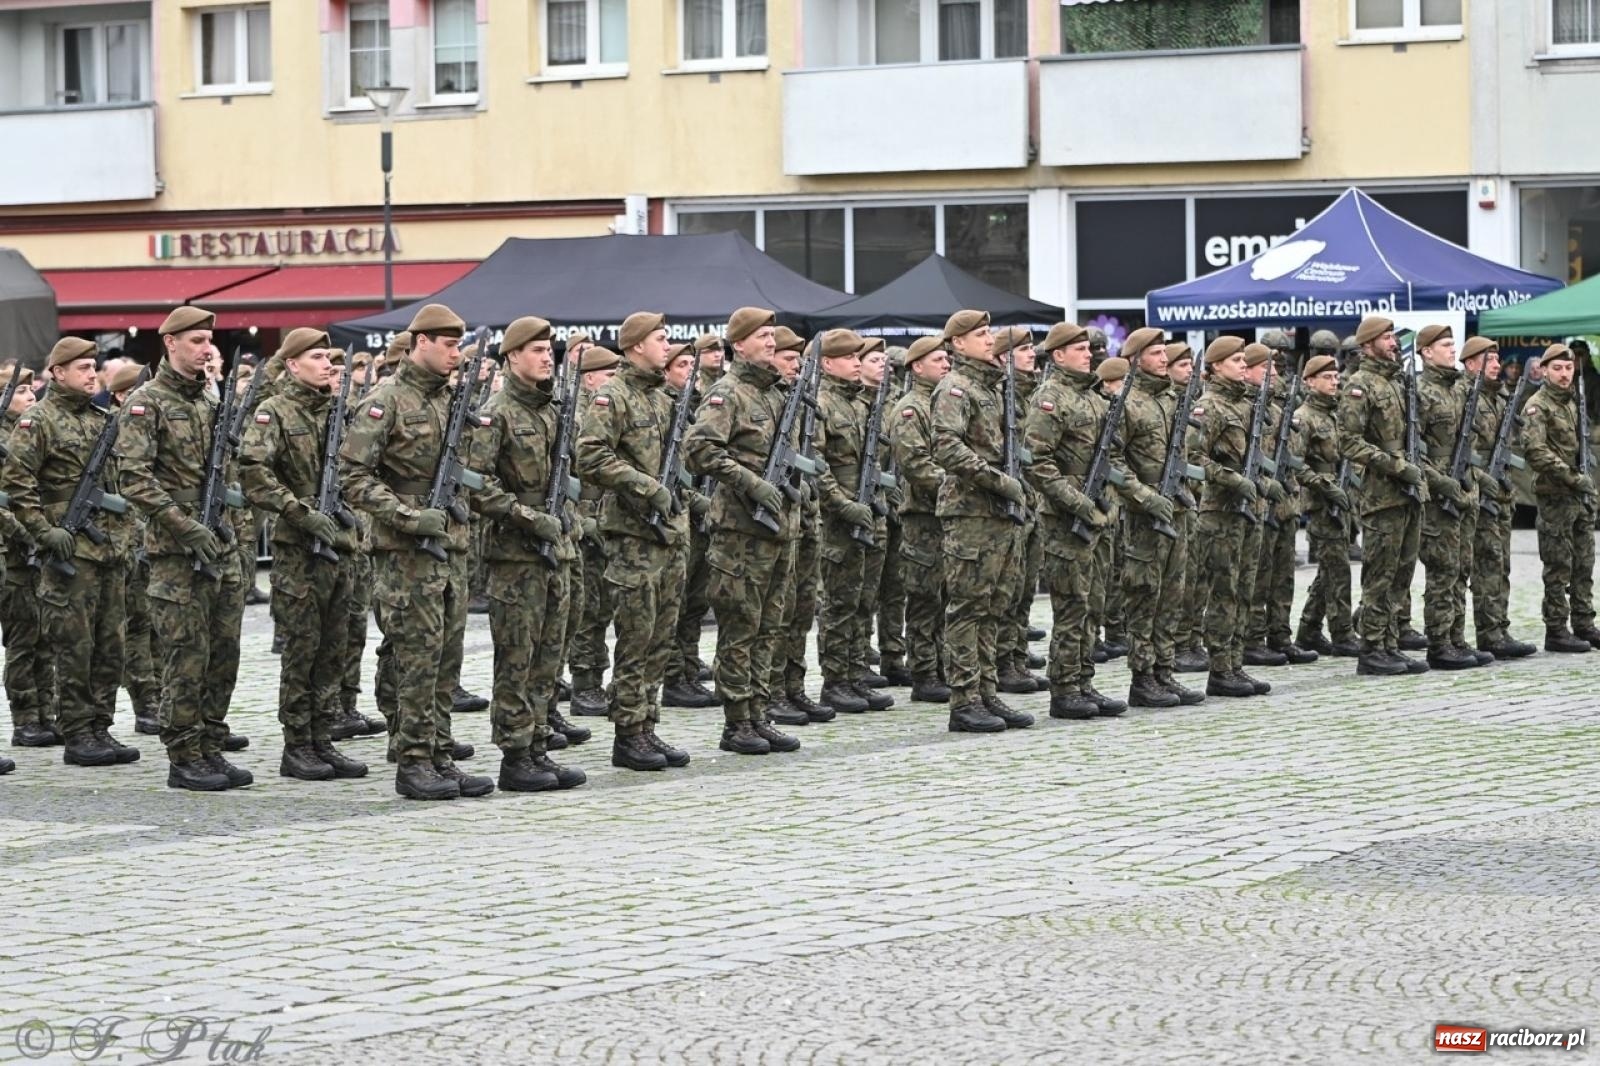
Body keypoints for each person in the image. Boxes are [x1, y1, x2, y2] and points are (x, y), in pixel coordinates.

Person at [339, 303, 494, 801]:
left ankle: (439, 753)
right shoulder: (385, 400)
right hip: (406, 553)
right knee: (416, 659)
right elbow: (352, 476)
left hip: (450, 547)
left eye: (458, 345)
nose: (456, 354)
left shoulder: (450, 401)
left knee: (446, 658)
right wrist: (407, 516)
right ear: (420, 342)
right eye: (448, 345)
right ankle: (413, 761)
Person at [115, 306, 253, 790]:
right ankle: (184, 754)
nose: (206, 349)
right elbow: (134, 478)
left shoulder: (210, 402)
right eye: (196, 340)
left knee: (224, 654)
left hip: (221, 544)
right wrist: (184, 526)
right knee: (186, 656)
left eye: (208, 341)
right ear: (170, 343)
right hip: (178, 553)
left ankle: (211, 745)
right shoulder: (146, 402)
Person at [2, 337, 139, 769]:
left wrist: (128, 536)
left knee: (110, 645)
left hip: (108, 550)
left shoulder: (102, 419)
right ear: (58, 373)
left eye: (93, 367)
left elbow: (120, 484)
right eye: (81, 368)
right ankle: (78, 732)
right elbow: (16, 484)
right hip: (70, 552)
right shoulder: (38, 421)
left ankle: (100, 725)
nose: (91, 374)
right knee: (74, 646)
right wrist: (44, 532)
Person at [238, 328, 369, 781]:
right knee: (303, 650)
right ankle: (297, 745)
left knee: (334, 648)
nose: (328, 365)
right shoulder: (274, 412)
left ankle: (322, 737)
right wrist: (299, 512)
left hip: (340, 545)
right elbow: (254, 473)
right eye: (316, 358)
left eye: (329, 358)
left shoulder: (337, 411)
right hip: (299, 550)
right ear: (292, 364)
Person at [469, 314, 588, 791]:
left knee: (548, 657)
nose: (546, 358)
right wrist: (526, 516)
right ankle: (515, 754)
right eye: (536, 351)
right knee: (517, 658)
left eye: (548, 351)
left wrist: (566, 516)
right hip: (516, 554)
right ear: (512, 355)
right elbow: (477, 484)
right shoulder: (496, 412)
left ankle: (538, 743)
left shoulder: (551, 408)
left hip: (556, 547)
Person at [684, 307, 811, 754]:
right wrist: (750, 482)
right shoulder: (727, 393)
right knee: (740, 628)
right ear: (739, 345)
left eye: (772, 336)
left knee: (770, 627)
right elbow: (698, 449)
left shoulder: (776, 394)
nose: (771, 342)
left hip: (779, 531)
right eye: (761, 336)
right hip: (740, 532)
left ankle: (760, 712)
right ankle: (737, 721)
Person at [575, 312, 694, 769]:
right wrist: (645, 486)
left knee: (661, 635)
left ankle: (646, 723)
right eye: (660, 339)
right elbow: (590, 456)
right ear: (636, 345)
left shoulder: (662, 398)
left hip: (668, 533)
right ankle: (627, 733)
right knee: (636, 636)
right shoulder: (614, 396)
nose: (667, 345)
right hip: (632, 535)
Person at [930, 310, 1034, 733]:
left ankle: (987, 692)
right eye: (981, 334)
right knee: (968, 608)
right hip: (971, 511)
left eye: (990, 333)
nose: (990, 340)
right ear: (958, 343)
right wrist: (997, 481)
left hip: (999, 512)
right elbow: (945, 446)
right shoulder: (955, 387)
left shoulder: (993, 387)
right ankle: (964, 700)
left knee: (995, 606)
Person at [1112, 327, 1205, 708]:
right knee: (1144, 596)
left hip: (1176, 509)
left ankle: (1165, 671)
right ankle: (1143, 677)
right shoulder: (1126, 402)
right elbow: (1113, 462)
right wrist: (1145, 497)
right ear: (1135, 359)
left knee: (1172, 595)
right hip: (1145, 515)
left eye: (1164, 351)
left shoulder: (1170, 399)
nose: (1164, 357)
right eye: (1155, 352)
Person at [1339, 315, 1430, 677]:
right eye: (1387, 337)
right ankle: (1372, 648)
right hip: (1382, 495)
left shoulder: (1396, 382)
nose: (1394, 342)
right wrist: (1395, 466)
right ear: (1367, 344)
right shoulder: (1359, 385)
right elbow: (1348, 442)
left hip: (1409, 491)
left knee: (1401, 574)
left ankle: (1390, 642)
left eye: (1393, 336)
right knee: (1379, 574)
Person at [814, 330, 895, 715]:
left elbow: (872, 461)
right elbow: (817, 464)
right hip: (839, 519)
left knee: (864, 600)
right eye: (849, 357)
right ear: (828, 362)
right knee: (839, 603)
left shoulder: (861, 403)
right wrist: (842, 505)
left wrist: (877, 501)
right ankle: (835, 682)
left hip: (869, 512)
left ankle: (855, 672)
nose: (857, 363)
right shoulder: (822, 403)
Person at [1193, 338, 1271, 698]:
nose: (1244, 365)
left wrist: (1262, 483)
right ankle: (1220, 668)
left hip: (1248, 511)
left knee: (1243, 590)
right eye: (1236, 360)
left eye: (1244, 360)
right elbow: (1194, 458)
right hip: (1221, 512)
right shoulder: (1208, 406)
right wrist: (1232, 479)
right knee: (1224, 592)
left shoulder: (1246, 404)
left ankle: (1236, 664)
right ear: (1217, 365)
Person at [765, 324, 832, 725]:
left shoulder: (799, 399)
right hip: (773, 518)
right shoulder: (767, 399)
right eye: (788, 359)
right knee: (778, 612)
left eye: (797, 359)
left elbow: (815, 455)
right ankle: (772, 692)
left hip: (804, 518)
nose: (795, 365)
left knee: (802, 608)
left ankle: (793, 687)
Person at [1411, 325, 1487, 671]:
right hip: (1439, 493)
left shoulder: (1459, 388)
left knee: (1461, 567)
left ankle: (1457, 637)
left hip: (1464, 489)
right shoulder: (1420, 391)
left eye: (1453, 344)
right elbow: (1414, 448)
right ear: (1426, 352)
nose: (1452, 350)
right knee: (1442, 569)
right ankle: (1439, 643)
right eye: (1445, 345)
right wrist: (1439, 482)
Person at [1243, 331, 1316, 666]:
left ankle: (1280, 635)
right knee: (1259, 575)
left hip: (1285, 500)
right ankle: (1253, 639)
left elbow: (1294, 453)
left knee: (1283, 575)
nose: (1275, 370)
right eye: (1267, 365)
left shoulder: (1277, 405)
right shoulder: (1247, 408)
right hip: (1259, 502)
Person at [1521, 343, 1599, 653]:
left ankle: (1584, 622)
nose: (1565, 374)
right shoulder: (1537, 405)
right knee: (1557, 565)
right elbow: (1535, 451)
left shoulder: (1572, 402)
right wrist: (1571, 476)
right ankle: (1556, 629)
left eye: (1568, 368)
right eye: (1558, 368)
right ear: (1544, 371)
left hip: (1579, 496)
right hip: (1555, 496)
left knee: (1584, 562)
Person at [1461, 337, 1536, 659]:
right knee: (1486, 563)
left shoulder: (1499, 396)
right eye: (1489, 359)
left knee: (1501, 563)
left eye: (1496, 359)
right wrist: (1482, 480)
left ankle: (1499, 627)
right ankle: (1489, 633)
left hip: (1501, 491)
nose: (1496, 365)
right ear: (1471, 364)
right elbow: (1463, 449)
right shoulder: (1467, 395)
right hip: (1478, 491)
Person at [889, 335, 952, 703]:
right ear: (917, 366)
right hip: (923, 518)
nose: (946, 364)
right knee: (925, 598)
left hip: (948, 515)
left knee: (945, 596)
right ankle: (924, 672)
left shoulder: (944, 403)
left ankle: (942, 665)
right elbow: (915, 466)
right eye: (938, 359)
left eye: (946, 358)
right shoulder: (911, 409)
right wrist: (958, 485)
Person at [2, 366, 58, 750]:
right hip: (13, 554)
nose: (31, 396)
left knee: (45, 637)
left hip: (39, 549)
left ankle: (45, 714)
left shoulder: (30, 433)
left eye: (31, 389)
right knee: (23, 638)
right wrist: (29, 534)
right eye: (21, 391)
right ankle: (25, 720)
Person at [660, 341, 718, 709]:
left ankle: (689, 668)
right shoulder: (666, 406)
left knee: (696, 601)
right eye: (681, 365)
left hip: (698, 517)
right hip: (679, 513)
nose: (689, 372)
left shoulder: (695, 406)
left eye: (690, 365)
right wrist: (699, 502)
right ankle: (673, 676)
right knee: (676, 603)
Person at [566, 344, 621, 718]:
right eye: (609, 375)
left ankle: (595, 679)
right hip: (583, 524)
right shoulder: (576, 417)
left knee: (603, 607)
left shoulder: (609, 412)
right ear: (589, 379)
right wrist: (581, 520)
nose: (615, 382)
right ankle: (584, 684)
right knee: (587, 609)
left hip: (607, 521)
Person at [992, 327, 1046, 696]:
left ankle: (1015, 656)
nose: (1031, 354)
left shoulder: (1031, 394)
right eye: (1022, 349)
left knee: (1024, 590)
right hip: (1008, 500)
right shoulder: (1000, 395)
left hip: (1032, 502)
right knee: (1005, 592)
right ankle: (1001, 662)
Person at [1295, 354, 1360, 657]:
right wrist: (1325, 486)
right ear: (1310, 381)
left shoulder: (1336, 415)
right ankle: (1342, 633)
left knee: (1330, 568)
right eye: (1326, 377)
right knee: (1338, 569)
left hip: (1341, 498)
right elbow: (1296, 464)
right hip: (1321, 503)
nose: (1334, 382)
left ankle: (1308, 629)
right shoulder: (1303, 418)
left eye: (1335, 377)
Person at [1167, 343, 1211, 673]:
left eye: (1190, 365)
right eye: (1182, 365)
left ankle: (1193, 638)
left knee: (1197, 577)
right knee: (1177, 581)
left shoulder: (1190, 403)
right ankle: (1179, 644)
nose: (1190, 371)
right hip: (1174, 501)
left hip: (1193, 501)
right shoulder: (1173, 405)